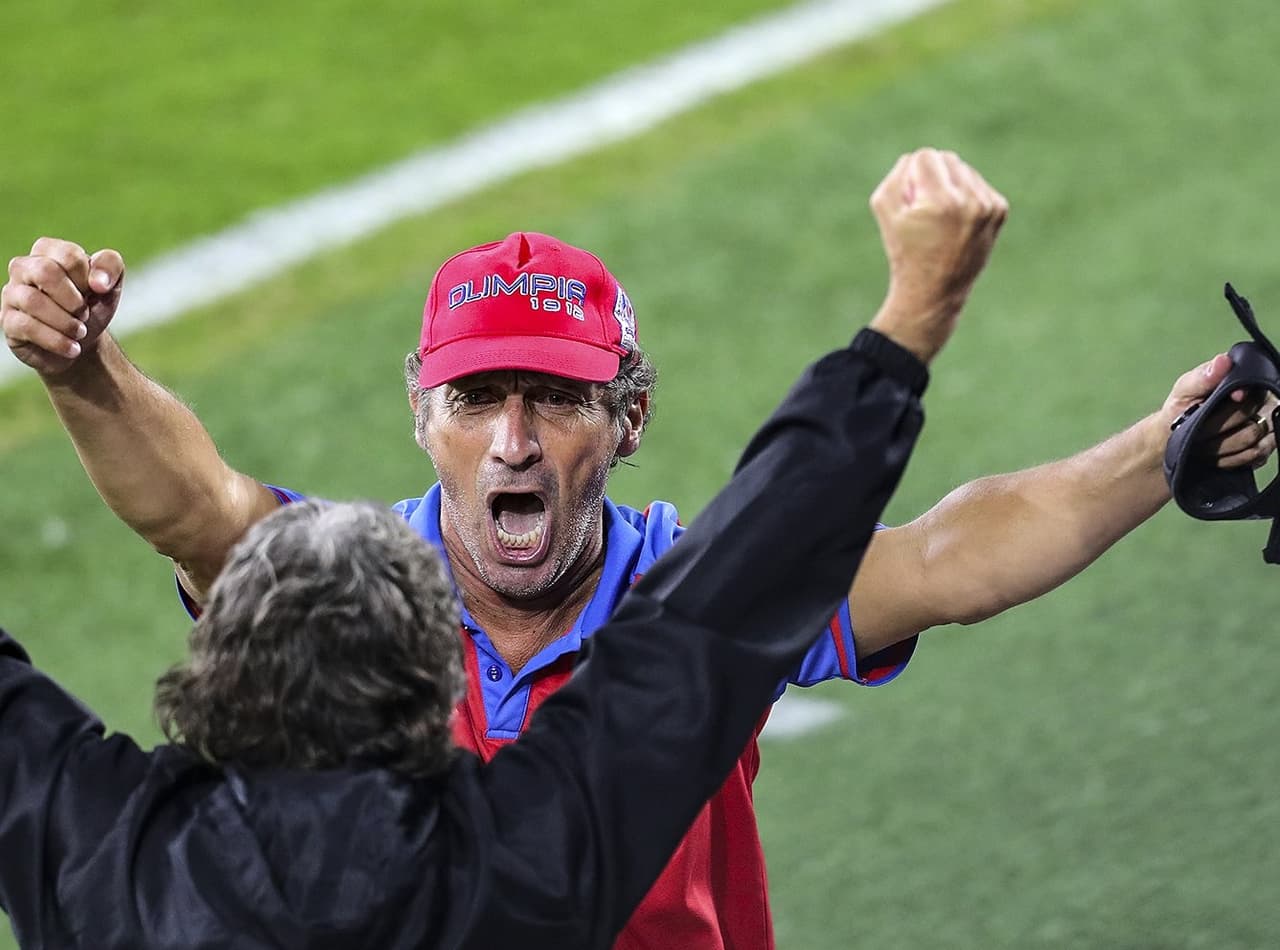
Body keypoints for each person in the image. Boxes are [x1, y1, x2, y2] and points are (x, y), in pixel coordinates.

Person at [0, 148, 1268, 949]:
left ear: (626, 419)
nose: (510, 439)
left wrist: (1154, 451)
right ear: (421, 415)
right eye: (475, 397)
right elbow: (193, 506)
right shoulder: (352, 591)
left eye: (553, 398)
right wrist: (82, 365)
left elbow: (945, 556)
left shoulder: (638, 581)